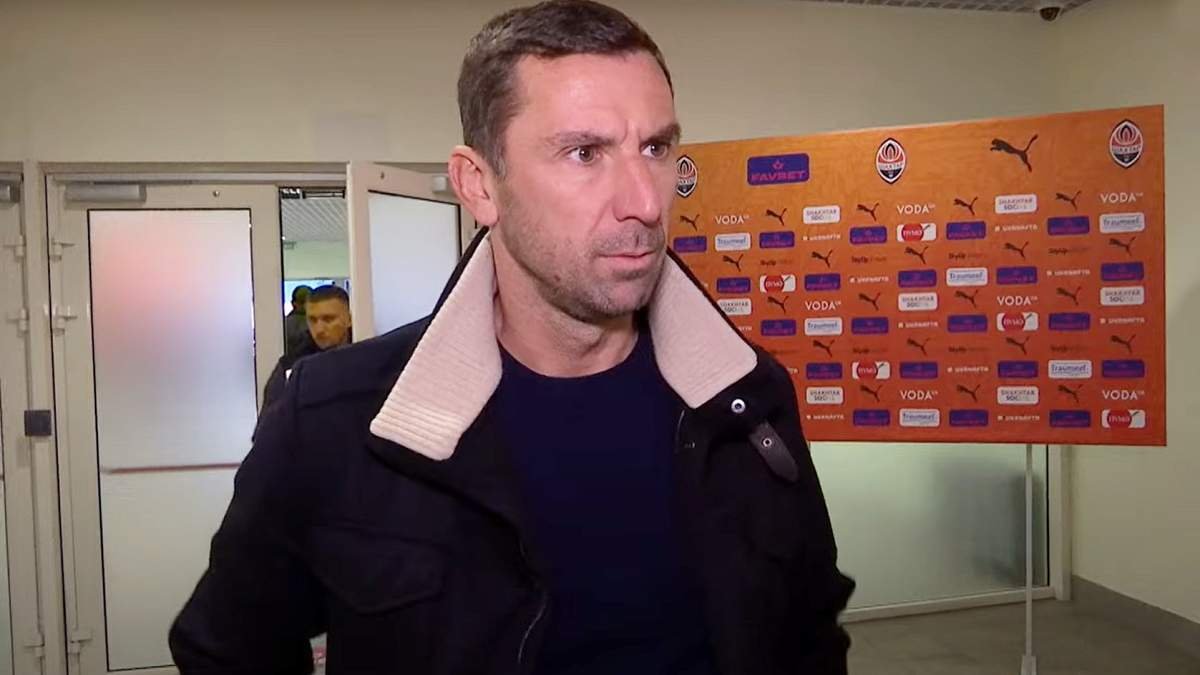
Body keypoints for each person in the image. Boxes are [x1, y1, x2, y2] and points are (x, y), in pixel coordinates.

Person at [170, 2, 854, 673]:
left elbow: (810, 634)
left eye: (655, 148)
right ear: (479, 185)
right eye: (585, 153)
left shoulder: (747, 397)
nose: (645, 202)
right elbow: (226, 650)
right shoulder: (335, 418)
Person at [261, 285, 352, 410]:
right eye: (312, 320)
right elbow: (271, 417)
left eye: (328, 319)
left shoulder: (367, 358)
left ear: (349, 319)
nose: (319, 329)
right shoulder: (291, 367)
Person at [284, 284, 313, 358]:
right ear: (294, 303)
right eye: (302, 302)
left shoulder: (284, 324)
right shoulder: (314, 323)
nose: (305, 306)